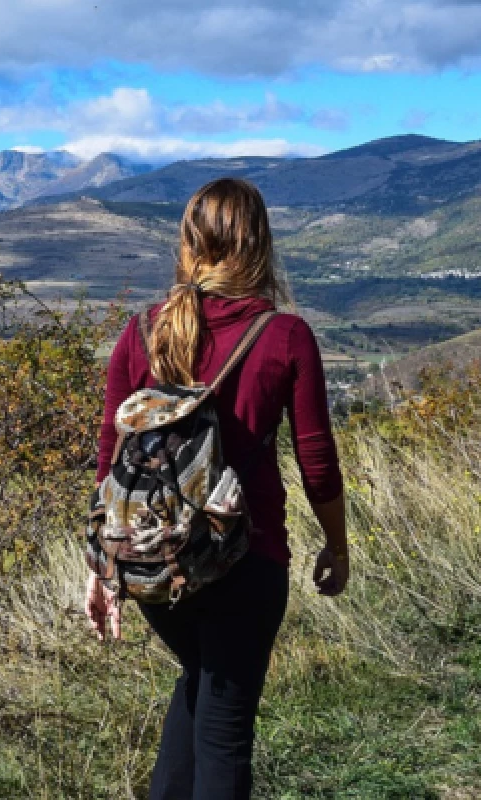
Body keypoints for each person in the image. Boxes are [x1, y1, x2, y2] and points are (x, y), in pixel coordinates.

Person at [84, 178, 349, 799]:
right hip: (244, 559)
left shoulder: (143, 329)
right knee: (225, 736)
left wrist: (102, 565)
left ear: (188, 243)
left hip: (153, 562)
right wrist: (337, 547)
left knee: (200, 683)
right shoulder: (283, 335)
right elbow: (317, 460)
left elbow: (111, 453)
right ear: (259, 245)